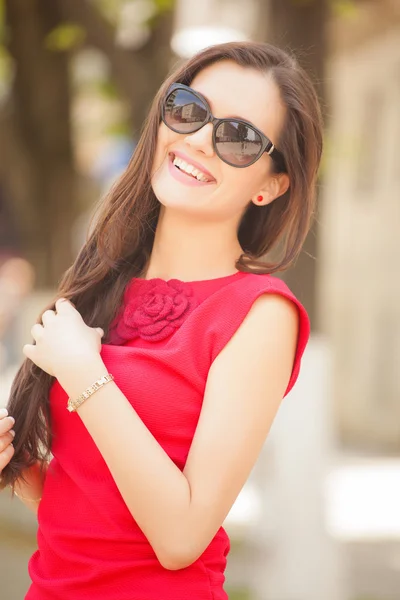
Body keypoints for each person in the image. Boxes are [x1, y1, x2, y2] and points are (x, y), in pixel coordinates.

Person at [0, 40, 323, 599]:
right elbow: (91, 500)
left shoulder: (260, 313)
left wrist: (86, 375)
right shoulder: (102, 281)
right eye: (189, 110)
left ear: (272, 184)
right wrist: (16, 468)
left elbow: (180, 537)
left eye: (239, 137)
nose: (198, 140)